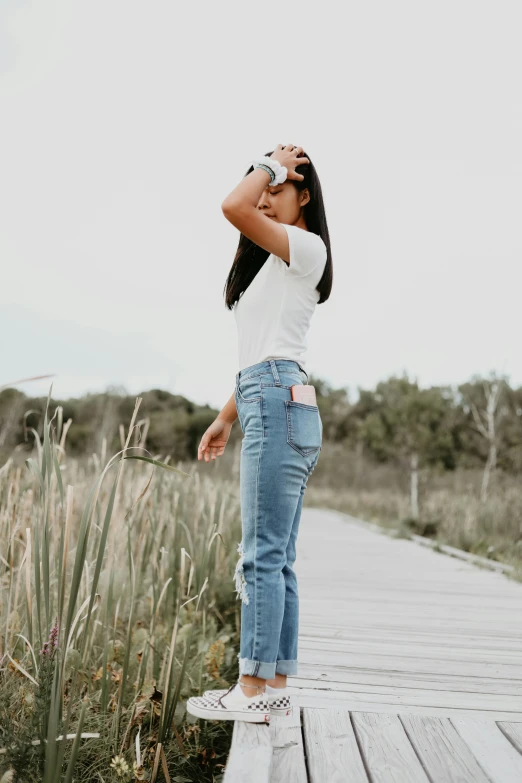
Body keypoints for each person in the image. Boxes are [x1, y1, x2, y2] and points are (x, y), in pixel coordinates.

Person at [187, 144, 332, 723]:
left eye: (278, 188)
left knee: (261, 557)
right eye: (265, 186)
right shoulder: (276, 263)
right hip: (271, 395)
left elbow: (232, 205)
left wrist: (268, 164)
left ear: (305, 196)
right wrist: (226, 416)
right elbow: (262, 355)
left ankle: (249, 689)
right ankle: (271, 681)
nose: (266, 195)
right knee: (278, 557)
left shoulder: (307, 248)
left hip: (276, 399)